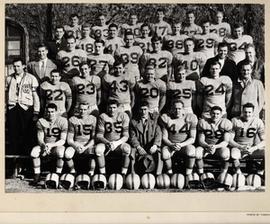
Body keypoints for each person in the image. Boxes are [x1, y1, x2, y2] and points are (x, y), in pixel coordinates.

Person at [6, 58, 40, 157]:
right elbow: (5, 95)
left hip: (25, 108)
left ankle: (27, 160)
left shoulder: (30, 78)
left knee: (26, 133)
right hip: (12, 108)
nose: (16, 69)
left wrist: (36, 111)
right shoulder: (9, 78)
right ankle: (15, 160)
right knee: (13, 134)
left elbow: (35, 96)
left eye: (18, 66)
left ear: (24, 66)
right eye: (14, 66)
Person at [30, 103, 68, 185]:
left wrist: (51, 145)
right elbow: (40, 138)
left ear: (57, 111)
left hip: (57, 145)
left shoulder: (63, 121)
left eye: (52, 112)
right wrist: (44, 146)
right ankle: (37, 174)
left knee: (61, 152)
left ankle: (58, 174)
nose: (50, 114)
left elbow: (63, 140)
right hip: (45, 145)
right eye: (48, 112)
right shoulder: (41, 121)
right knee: (34, 152)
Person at [160, 100, 197, 177]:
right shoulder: (166, 118)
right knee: (165, 154)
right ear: (171, 109)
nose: (177, 111)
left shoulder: (190, 117)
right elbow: (164, 137)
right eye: (175, 108)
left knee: (192, 151)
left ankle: (188, 174)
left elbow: (192, 138)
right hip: (171, 145)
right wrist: (171, 144)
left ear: (183, 109)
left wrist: (181, 144)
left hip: (184, 145)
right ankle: (170, 174)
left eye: (179, 108)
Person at [95, 100, 131, 178]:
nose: (112, 110)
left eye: (114, 107)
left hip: (119, 143)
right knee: (98, 150)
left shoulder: (124, 116)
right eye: (110, 108)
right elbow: (99, 135)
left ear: (118, 108)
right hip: (106, 142)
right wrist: (107, 143)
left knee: (127, 149)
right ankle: (103, 175)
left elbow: (126, 136)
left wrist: (116, 143)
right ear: (107, 108)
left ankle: (123, 175)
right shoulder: (103, 116)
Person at [195, 106, 232, 176]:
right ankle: (201, 174)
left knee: (226, 153)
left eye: (218, 114)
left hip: (219, 147)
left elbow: (226, 141)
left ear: (221, 115)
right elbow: (201, 140)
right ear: (210, 113)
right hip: (206, 147)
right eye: (213, 113)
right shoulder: (203, 122)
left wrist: (215, 146)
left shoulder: (226, 123)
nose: (215, 115)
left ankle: (223, 174)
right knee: (197, 153)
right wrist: (207, 146)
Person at [230, 103, 265, 175]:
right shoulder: (235, 121)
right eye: (245, 112)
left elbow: (265, 140)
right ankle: (238, 172)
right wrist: (241, 147)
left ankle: (261, 170)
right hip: (238, 148)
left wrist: (254, 148)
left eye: (249, 112)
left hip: (251, 149)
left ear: (253, 112)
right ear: (242, 112)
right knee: (234, 154)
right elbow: (230, 140)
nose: (247, 114)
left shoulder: (258, 121)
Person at [129, 101, 163, 175]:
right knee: (132, 152)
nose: (143, 112)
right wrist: (138, 147)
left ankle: (158, 174)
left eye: (145, 109)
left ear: (148, 110)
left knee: (159, 153)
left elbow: (158, 133)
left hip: (151, 146)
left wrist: (155, 145)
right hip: (140, 146)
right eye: (141, 109)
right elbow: (132, 136)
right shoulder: (133, 122)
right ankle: (133, 174)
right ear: (138, 110)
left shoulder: (155, 120)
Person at [65, 103, 97, 176]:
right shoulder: (73, 119)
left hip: (88, 144)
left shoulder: (93, 119)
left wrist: (85, 147)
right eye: (81, 109)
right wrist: (76, 146)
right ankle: (73, 172)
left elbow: (94, 139)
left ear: (88, 110)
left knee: (94, 152)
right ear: (78, 110)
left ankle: (91, 173)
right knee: (67, 154)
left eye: (85, 109)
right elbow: (69, 139)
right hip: (76, 143)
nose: (83, 111)